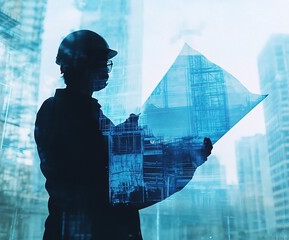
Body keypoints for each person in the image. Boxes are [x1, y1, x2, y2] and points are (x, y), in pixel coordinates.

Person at [34, 30, 212, 240]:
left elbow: (101, 162)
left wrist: (126, 136)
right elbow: (110, 180)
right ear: (80, 65)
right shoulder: (62, 112)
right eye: (100, 64)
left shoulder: (79, 114)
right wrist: (185, 161)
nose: (107, 72)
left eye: (106, 65)